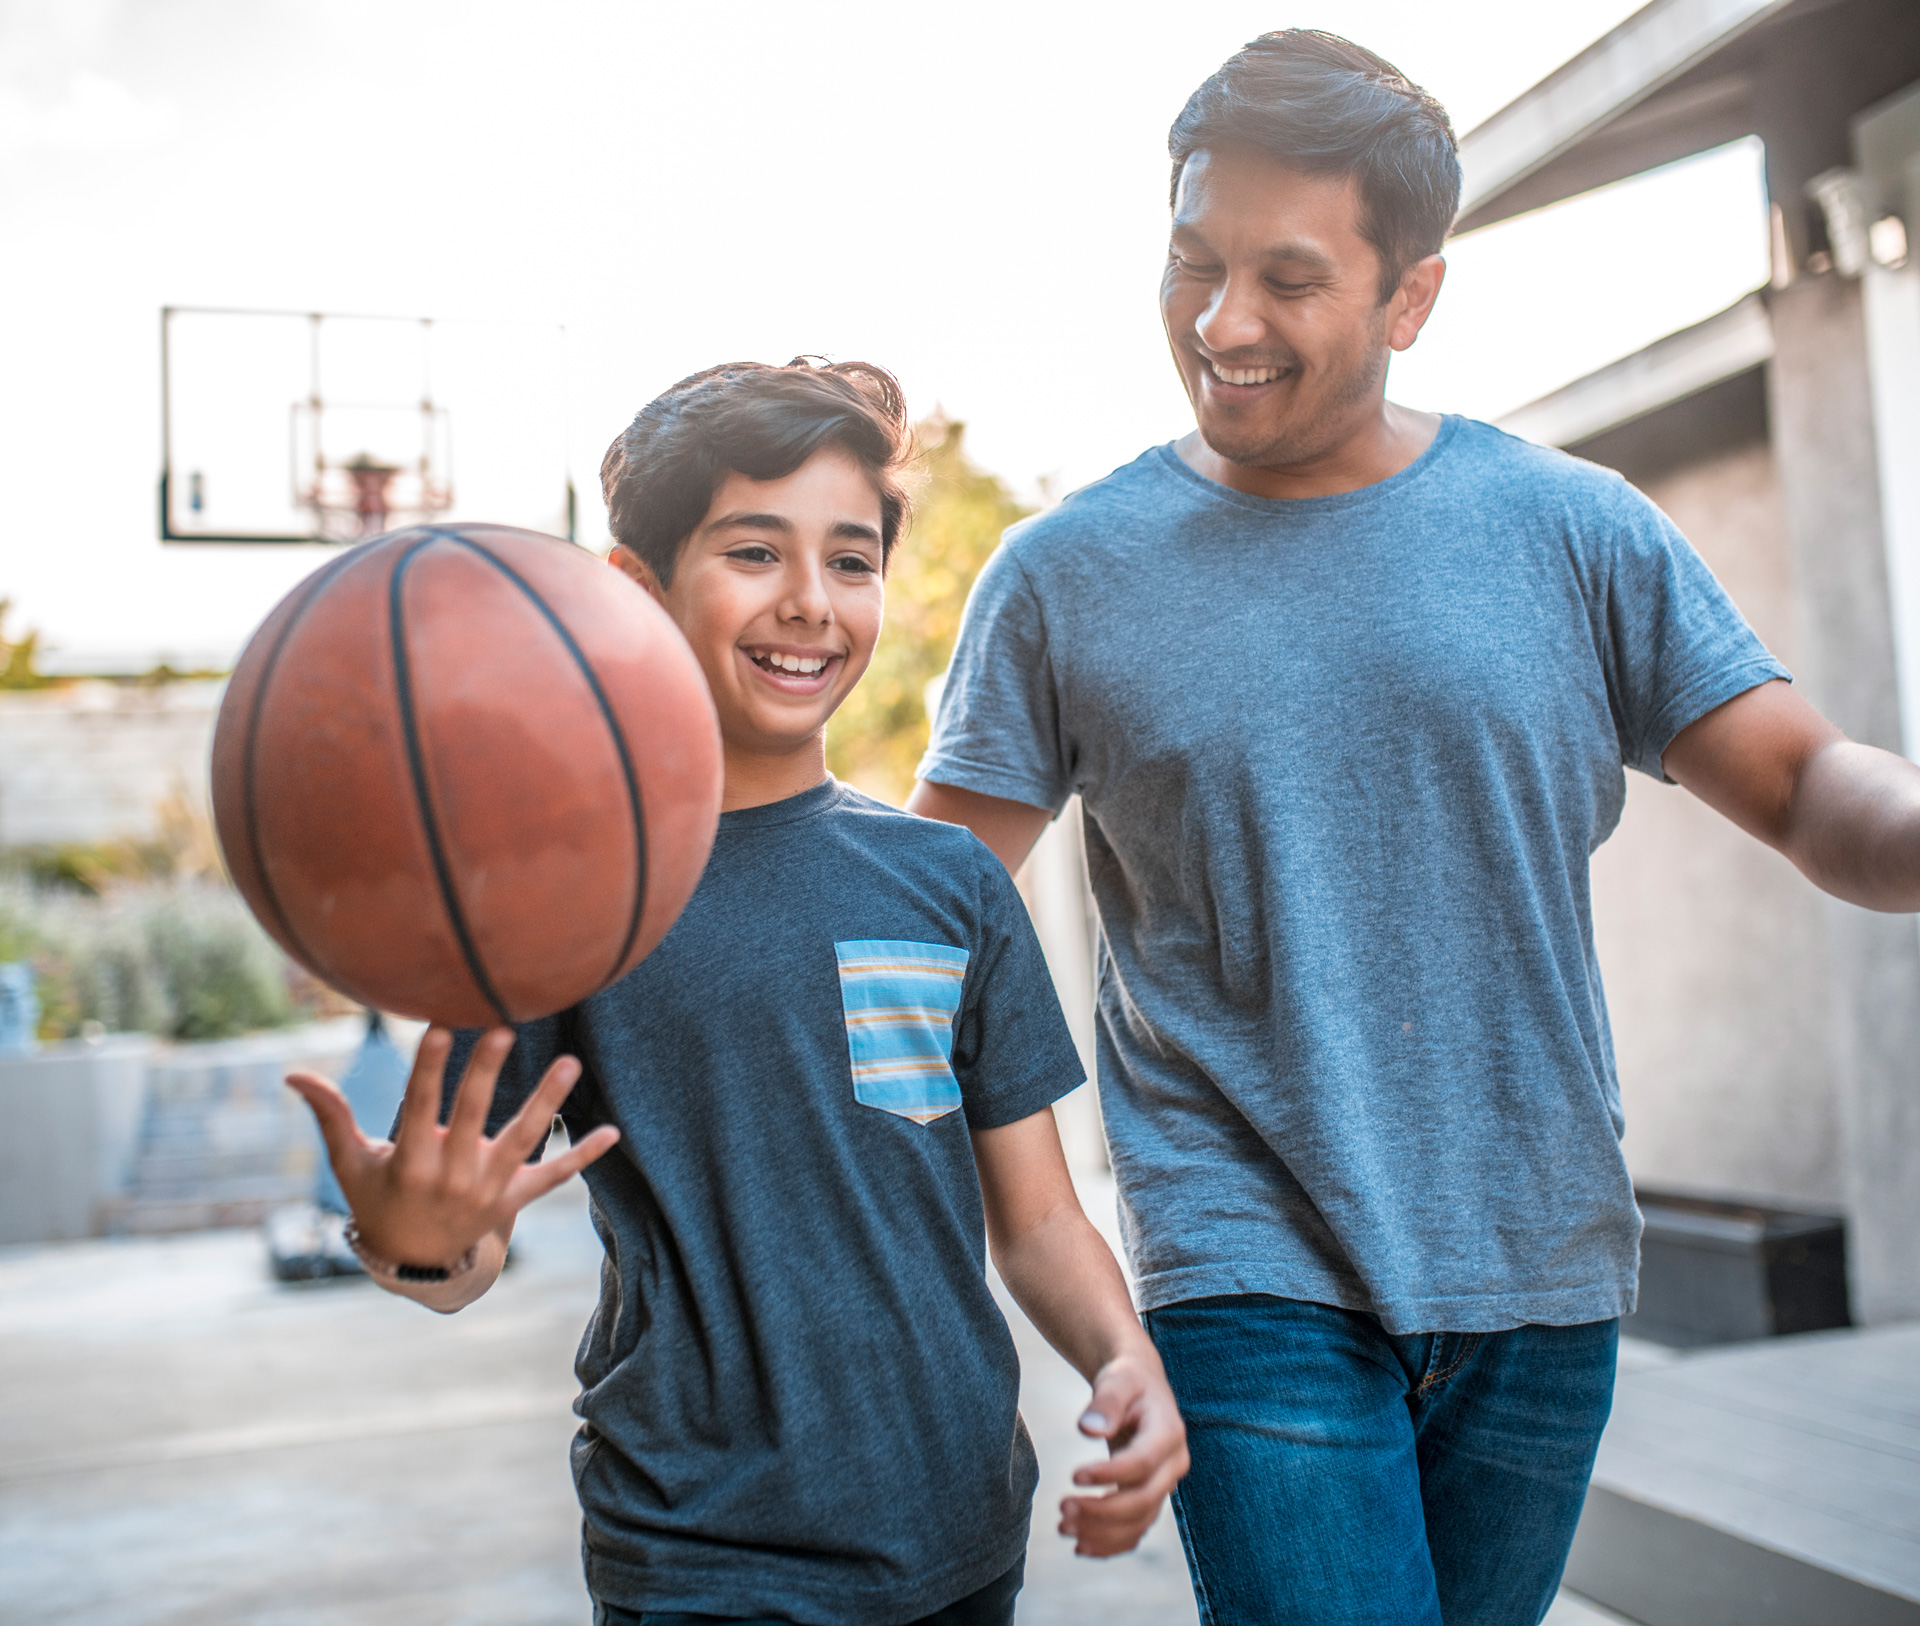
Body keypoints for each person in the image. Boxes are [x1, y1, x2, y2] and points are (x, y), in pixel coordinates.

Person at [908, 28, 1920, 1626]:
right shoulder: (1062, 578)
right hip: (1245, 1268)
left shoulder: (1576, 534)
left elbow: (1806, 785)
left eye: (1287, 279)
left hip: (1542, 1264)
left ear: (1412, 294)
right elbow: (928, 924)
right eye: (1191, 263)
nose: (1221, 324)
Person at [287, 357, 1188, 1626]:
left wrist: (1123, 1357)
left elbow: (1035, 1222)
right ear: (636, 591)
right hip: (702, 1553)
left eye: (853, 559)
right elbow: (465, 1246)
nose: (813, 604)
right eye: (755, 553)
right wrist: (410, 1233)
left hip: (961, 1535)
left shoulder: (947, 882)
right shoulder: (559, 904)